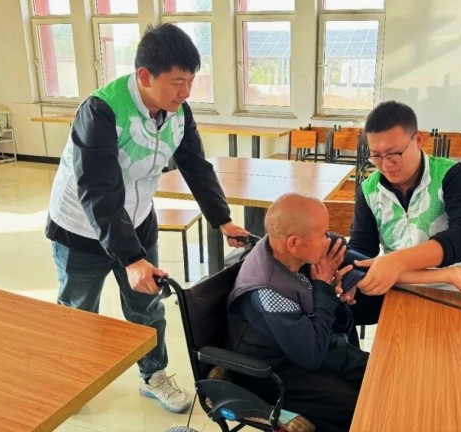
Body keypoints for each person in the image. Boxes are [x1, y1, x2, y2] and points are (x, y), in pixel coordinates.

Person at [46, 23, 248, 413]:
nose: (186, 92)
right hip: (79, 228)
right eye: (178, 82)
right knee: (77, 309)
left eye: (191, 81)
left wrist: (222, 220)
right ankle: (70, 380)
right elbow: (99, 190)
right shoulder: (101, 111)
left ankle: (153, 375)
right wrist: (132, 258)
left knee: (147, 306)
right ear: (144, 76)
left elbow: (195, 166)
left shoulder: (177, 112)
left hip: (137, 220)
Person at [342, 100, 461, 325]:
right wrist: (352, 276)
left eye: (394, 153)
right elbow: (362, 248)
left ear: (418, 140)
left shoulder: (452, 176)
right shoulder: (370, 191)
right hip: (402, 291)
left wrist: (398, 261)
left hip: (459, 292)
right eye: (376, 155)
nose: (386, 164)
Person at [226, 193, 369, 432]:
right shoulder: (268, 291)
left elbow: (337, 245)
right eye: (322, 235)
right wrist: (323, 287)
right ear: (293, 243)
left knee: (372, 373)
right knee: (354, 405)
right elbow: (311, 357)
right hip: (272, 369)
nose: (327, 240)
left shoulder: (283, 246)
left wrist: (348, 277)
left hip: (302, 340)